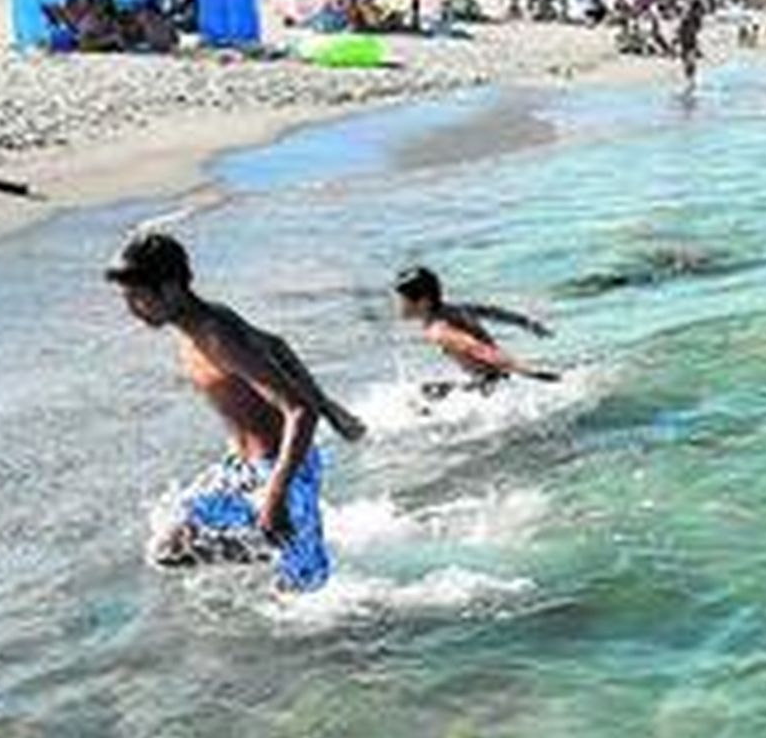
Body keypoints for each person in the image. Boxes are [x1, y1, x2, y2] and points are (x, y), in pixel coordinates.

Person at [106, 232, 365, 592]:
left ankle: (288, 543)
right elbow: (277, 345)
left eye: (138, 297)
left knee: (311, 608)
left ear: (170, 289)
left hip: (284, 472)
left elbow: (300, 411)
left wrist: (276, 494)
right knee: (168, 549)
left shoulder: (216, 334)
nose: (132, 309)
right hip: (240, 470)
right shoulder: (195, 326)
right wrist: (334, 410)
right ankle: (275, 545)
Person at [393, 266, 559, 397]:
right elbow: (493, 312)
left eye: (402, 299)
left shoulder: (438, 329)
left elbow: (476, 349)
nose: (398, 304)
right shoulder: (452, 309)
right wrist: (528, 324)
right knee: (425, 392)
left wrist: (528, 372)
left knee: (418, 397)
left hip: (488, 387)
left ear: (423, 302)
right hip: (493, 379)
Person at [676, 0, 704, 86]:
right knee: (689, 61)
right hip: (686, 41)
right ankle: (690, 81)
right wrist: (677, 40)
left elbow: (695, 31)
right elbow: (681, 29)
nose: (700, 11)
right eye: (699, 9)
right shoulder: (688, 18)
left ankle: (691, 81)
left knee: (690, 62)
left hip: (690, 41)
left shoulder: (696, 18)